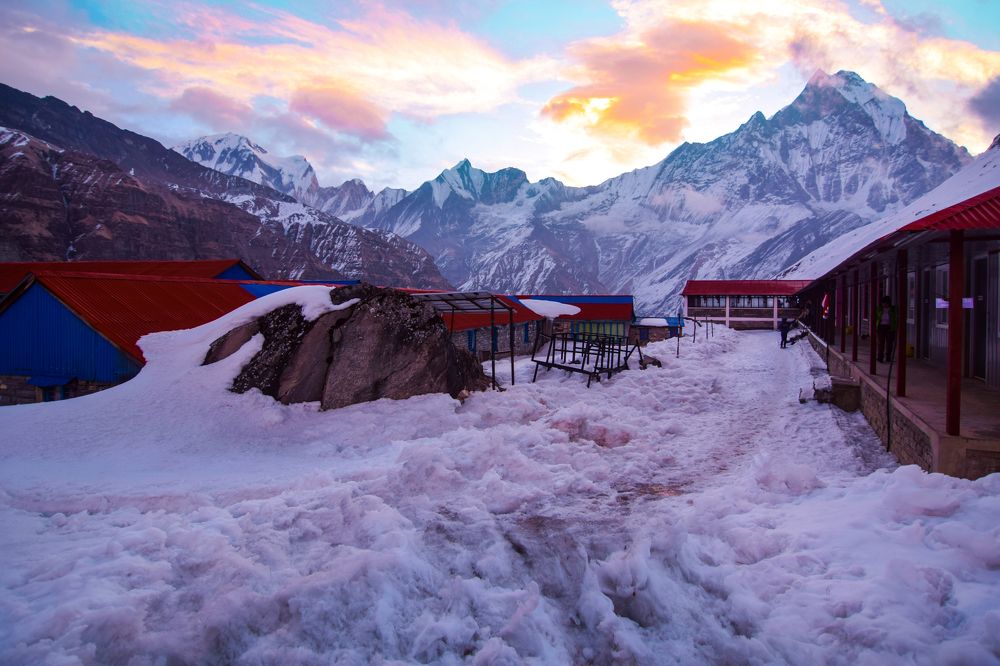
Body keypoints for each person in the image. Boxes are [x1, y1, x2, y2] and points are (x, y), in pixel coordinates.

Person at [876, 295, 897, 362]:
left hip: (890, 327)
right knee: (881, 343)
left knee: (889, 343)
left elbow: (895, 317)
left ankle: (888, 357)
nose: (884, 304)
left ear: (889, 303)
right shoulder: (879, 309)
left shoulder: (893, 309)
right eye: (883, 303)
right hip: (881, 327)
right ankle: (880, 357)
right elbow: (876, 317)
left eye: (886, 303)